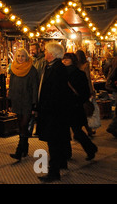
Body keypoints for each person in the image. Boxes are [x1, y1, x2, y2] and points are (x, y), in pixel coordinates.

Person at [37, 42, 71, 182]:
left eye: (46, 51)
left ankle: (54, 172)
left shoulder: (57, 69)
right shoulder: (52, 67)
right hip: (54, 111)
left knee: (54, 142)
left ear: (51, 54)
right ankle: (61, 163)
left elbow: (56, 92)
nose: (44, 52)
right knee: (58, 140)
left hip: (54, 113)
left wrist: (45, 109)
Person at [62, 53, 98, 160]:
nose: (64, 61)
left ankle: (90, 148)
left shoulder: (79, 74)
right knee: (65, 131)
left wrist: (79, 101)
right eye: (64, 59)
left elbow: (84, 91)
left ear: (73, 61)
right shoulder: (61, 73)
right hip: (65, 106)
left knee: (77, 131)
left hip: (75, 106)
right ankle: (68, 153)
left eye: (67, 59)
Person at [8, 48, 38, 161]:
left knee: (24, 125)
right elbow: (11, 86)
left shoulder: (32, 70)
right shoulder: (13, 69)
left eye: (23, 56)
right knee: (20, 126)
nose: (20, 58)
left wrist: (35, 105)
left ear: (27, 57)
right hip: (16, 101)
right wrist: (9, 100)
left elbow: (35, 88)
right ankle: (25, 147)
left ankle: (19, 151)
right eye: (19, 56)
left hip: (27, 102)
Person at [76, 49, 96, 136]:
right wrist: (91, 90)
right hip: (84, 90)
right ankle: (86, 130)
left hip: (76, 91)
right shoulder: (85, 65)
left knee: (80, 111)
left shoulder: (75, 65)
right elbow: (88, 78)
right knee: (85, 111)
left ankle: (82, 130)